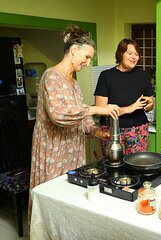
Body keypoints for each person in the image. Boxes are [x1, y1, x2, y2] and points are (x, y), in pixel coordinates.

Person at [29, 25, 121, 219]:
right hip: (54, 149)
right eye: (86, 57)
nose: (88, 63)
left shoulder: (75, 83)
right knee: (53, 198)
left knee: (70, 196)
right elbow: (60, 115)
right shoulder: (51, 77)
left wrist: (95, 131)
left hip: (73, 148)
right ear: (73, 51)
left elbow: (80, 114)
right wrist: (98, 108)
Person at [94, 38, 154, 155]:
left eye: (136, 54)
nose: (134, 57)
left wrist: (150, 104)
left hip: (138, 130)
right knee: (114, 166)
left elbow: (149, 103)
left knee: (137, 165)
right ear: (120, 54)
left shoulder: (143, 75)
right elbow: (100, 109)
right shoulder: (106, 76)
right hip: (112, 130)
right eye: (130, 53)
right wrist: (129, 108)